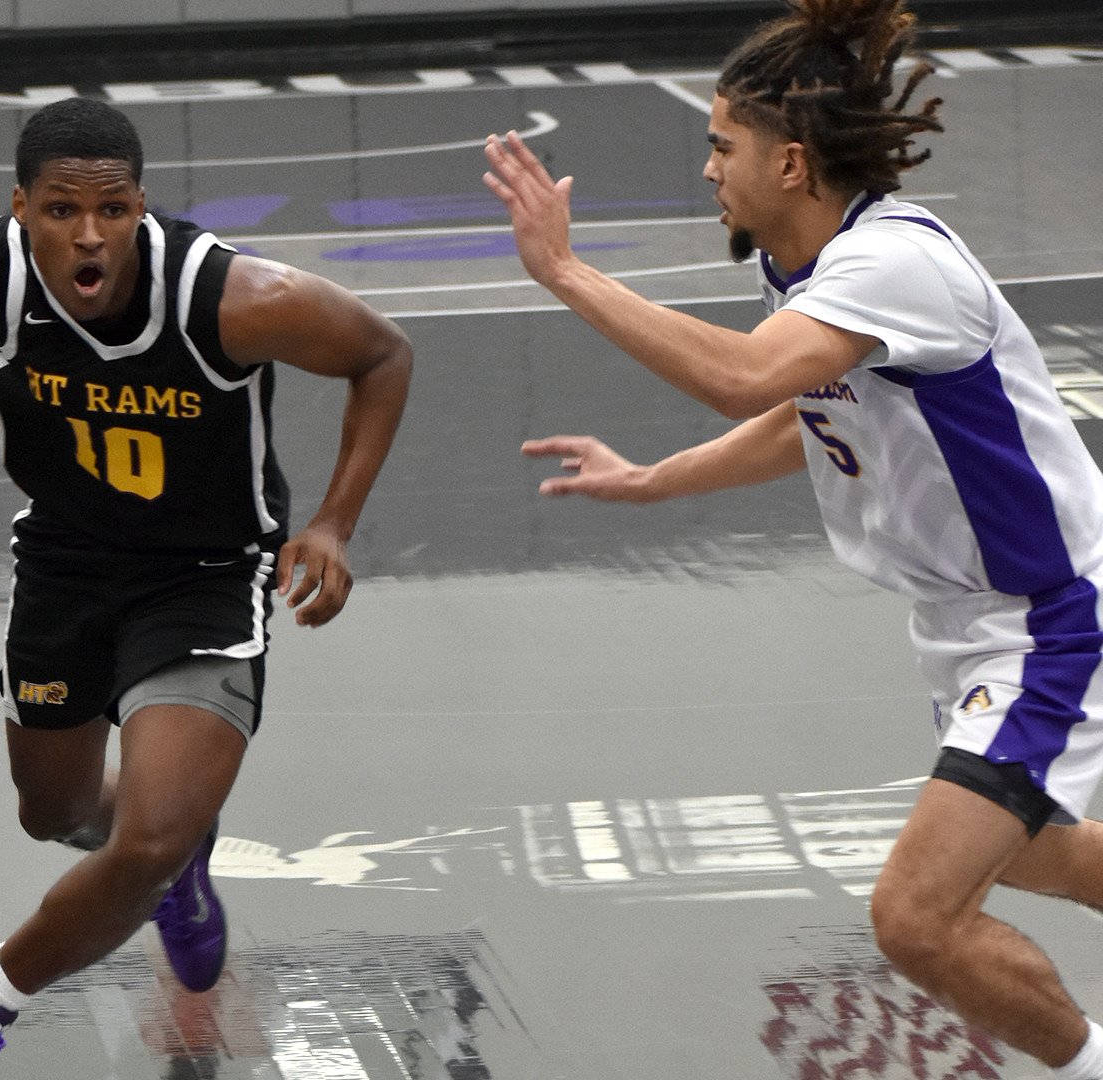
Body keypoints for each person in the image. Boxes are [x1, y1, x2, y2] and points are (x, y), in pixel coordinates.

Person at [483, 1, 1103, 1076]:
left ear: (794, 162)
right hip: (968, 622)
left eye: (725, 146)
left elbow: (743, 377)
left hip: (1050, 623)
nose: (710, 165)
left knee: (917, 914)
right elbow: (807, 416)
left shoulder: (893, 263)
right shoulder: (811, 270)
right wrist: (652, 480)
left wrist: (567, 273)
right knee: (1040, 858)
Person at [0, 96, 411, 1078]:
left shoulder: (234, 298)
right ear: (20, 210)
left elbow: (383, 354)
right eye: (61, 211)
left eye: (115, 210)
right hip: (66, 562)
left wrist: (335, 522)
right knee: (53, 813)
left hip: (204, 575)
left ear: (142, 207)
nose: (90, 235)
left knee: (143, 838)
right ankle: (171, 860)